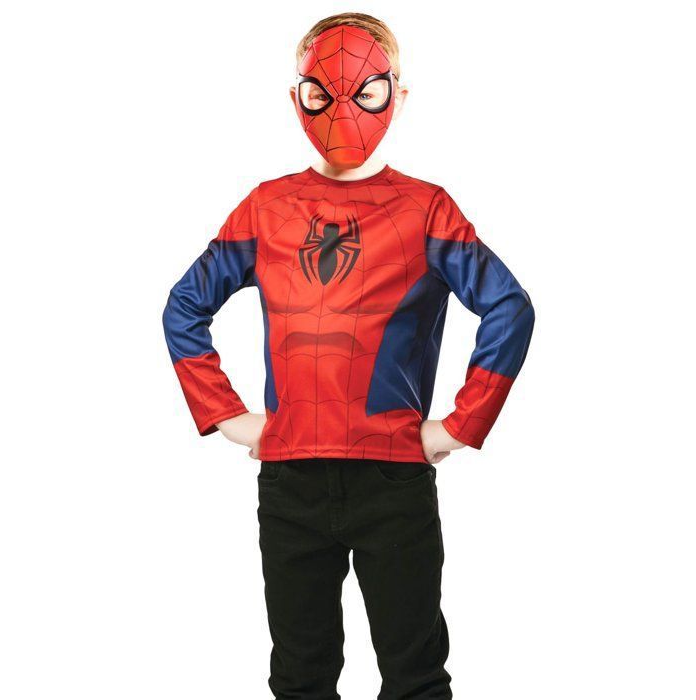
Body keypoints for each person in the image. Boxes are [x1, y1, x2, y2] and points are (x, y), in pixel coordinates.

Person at [163, 12, 534, 700]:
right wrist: (227, 417)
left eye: (364, 91)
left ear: (398, 94)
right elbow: (185, 306)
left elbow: (508, 307)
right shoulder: (266, 207)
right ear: (296, 95)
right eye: (319, 93)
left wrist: (460, 427)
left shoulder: (425, 209)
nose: (341, 111)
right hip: (291, 479)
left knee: (414, 677)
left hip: (392, 478)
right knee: (299, 678)